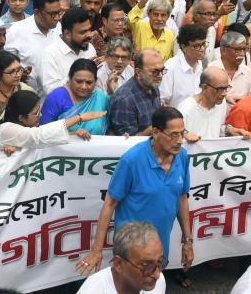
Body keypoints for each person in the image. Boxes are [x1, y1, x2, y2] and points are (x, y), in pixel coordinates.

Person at [77, 107, 193, 285]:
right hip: (133, 251)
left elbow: (182, 198)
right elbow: (109, 204)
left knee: (153, 285)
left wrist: (188, 240)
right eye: (173, 135)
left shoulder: (182, 157)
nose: (179, 140)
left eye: (182, 134)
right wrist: (96, 250)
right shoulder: (132, 160)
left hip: (160, 246)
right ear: (155, 132)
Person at [0, 90, 106, 150]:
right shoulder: (6, 129)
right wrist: (79, 118)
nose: (40, 115)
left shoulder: (27, 128)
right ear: (21, 117)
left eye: (39, 111)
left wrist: (73, 134)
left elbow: (47, 140)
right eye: (35, 113)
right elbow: (39, 136)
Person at [77, 221, 167, 294]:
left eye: (159, 262)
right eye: (146, 265)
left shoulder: (159, 282)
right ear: (118, 264)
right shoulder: (93, 290)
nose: (157, 275)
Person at [5, 0, 62, 93]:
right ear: (37, 12)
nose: (57, 18)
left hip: (56, 93)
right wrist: (20, 73)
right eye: (52, 14)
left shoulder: (59, 28)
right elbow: (6, 66)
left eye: (59, 13)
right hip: (27, 97)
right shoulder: (15, 31)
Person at [178, 67, 251, 141]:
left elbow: (214, 129)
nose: (224, 94)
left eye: (226, 88)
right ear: (205, 87)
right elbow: (174, 134)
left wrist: (231, 130)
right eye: (220, 89)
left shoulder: (221, 103)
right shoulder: (186, 108)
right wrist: (185, 134)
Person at [40, 7, 97, 94]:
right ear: (67, 34)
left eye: (89, 30)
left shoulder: (90, 49)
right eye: (82, 32)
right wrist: (77, 75)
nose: (89, 35)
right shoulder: (50, 54)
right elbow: (51, 90)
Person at [159, 24, 207, 107]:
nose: (202, 49)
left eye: (204, 44)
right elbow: (162, 102)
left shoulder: (203, 65)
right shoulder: (170, 68)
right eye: (197, 46)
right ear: (183, 47)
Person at [208, 31, 251, 103]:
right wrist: (225, 98)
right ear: (224, 50)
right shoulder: (211, 69)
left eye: (244, 49)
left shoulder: (248, 72)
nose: (242, 54)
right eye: (238, 50)